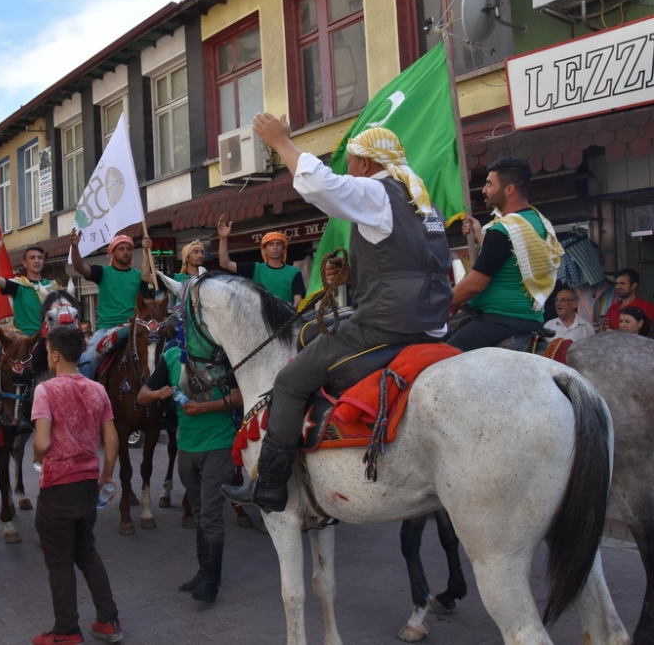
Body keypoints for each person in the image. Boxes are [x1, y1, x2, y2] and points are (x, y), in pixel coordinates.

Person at [221, 116, 452, 512]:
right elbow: (409, 263)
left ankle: (272, 484)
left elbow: (320, 184)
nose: (347, 167)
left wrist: (281, 143)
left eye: (350, 160)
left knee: (291, 379)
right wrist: (352, 273)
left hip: (388, 324)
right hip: (430, 321)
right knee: (311, 331)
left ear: (364, 163)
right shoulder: (420, 199)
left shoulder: (378, 191)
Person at [31, 325, 122, 644]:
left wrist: (34, 450)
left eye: (47, 351)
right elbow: (111, 439)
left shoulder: (45, 390)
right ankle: (109, 620)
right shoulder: (97, 389)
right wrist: (106, 476)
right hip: (87, 484)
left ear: (55, 354)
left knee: (59, 561)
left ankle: (67, 630)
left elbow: (42, 443)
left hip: (57, 486)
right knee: (86, 551)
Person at [137, 348, 243, 603]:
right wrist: (156, 393)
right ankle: (203, 571)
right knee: (198, 512)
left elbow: (239, 397)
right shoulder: (173, 355)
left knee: (210, 515)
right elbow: (142, 396)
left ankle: (211, 581)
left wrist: (205, 408)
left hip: (219, 445)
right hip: (186, 447)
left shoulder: (223, 353)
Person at [448, 157, 564, 351]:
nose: (484, 190)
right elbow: (508, 256)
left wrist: (438, 303)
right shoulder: (535, 222)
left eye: (489, 184)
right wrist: (479, 233)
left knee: (439, 359)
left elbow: (475, 285)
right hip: (529, 318)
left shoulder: (503, 230)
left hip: (500, 320)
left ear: (509, 189)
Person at [69, 230, 152, 379]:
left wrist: (147, 251)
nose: (126, 252)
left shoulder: (140, 276)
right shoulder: (102, 272)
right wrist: (75, 247)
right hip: (106, 329)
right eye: (121, 249)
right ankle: (86, 397)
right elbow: (79, 267)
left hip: (133, 327)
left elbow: (147, 305)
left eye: (129, 249)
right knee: (87, 361)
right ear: (112, 252)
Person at [217, 217, 305, 308]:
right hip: (260, 319)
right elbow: (225, 263)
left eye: (278, 244)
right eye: (271, 244)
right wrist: (223, 238)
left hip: (286, 319)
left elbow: (298, 301)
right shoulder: (255, 269)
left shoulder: (294, 272)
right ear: (265, 250)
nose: (275, 248)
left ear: (283, 249)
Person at [0, 232, 59, 335]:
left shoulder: (51, 286)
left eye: (40, 258)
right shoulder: (17, 285)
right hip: (25, 340)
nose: (37, 261)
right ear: (24, 263)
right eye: (32, 258)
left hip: (49, 338)